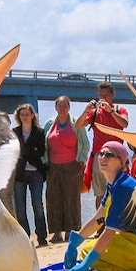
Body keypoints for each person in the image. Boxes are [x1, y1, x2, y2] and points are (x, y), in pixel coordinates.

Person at [64, 141, 136, 271]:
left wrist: (85, 265)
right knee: (88, 250)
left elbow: (108, 233)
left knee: (89, 253)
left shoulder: (123, 187)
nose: (103, 157)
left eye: (109, 155)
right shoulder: (114, 184)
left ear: (121, 162)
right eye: (100, 154)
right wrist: (74, 242)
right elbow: (99, 217)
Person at [43, 96, 90, 244]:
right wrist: (45, 162)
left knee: (72, 199)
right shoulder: (49, 123)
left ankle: (72, 231)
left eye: (65, 105)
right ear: (55, 107)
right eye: (59, 105)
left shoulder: (76, 122)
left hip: (73, 165)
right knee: (53, 199)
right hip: (53, 166)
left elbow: (85, 144)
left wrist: (81, 161)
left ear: (69, 107)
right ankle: (56, 232)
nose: (62, 108)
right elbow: (44, 143)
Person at [76, 81, 129, 209]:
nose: (103, 98)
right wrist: (86, 111)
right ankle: (100, 224)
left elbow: (124, 123)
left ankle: (116, 220)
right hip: (99, 156)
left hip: (116, 156)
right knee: (100, 193)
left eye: (106, 95)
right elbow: (78, 126)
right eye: (101, 95)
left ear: (112, 95)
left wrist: (111, 112)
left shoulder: (119, 110)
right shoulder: (94, 112)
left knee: (117, 190)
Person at [12, 103, 48, 247]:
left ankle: (42, 236)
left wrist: (24, 153)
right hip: (19, 173)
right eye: (22, 115)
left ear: (32, 115)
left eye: (27, 114)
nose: (25, 117)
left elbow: (40, 152)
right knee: (20, 208)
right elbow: (13, 152)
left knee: (38, 205)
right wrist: (29, 151)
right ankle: (24, 238)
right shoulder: (14, 132)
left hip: (36, 173)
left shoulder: (39, 132)